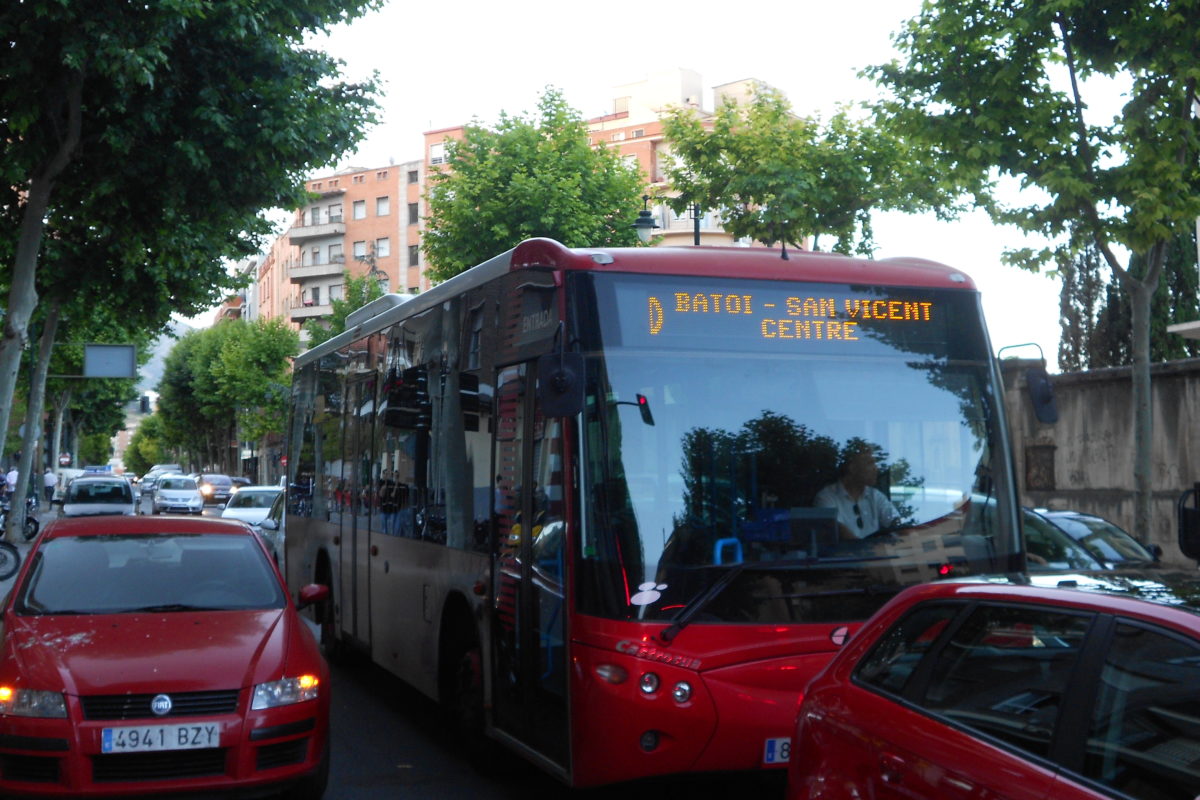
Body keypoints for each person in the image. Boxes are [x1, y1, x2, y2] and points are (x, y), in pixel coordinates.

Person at [814, 446, 899, 540]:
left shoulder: (875, 496)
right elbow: (838, 529)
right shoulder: (826, 497)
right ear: (852, 468)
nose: (876, 468)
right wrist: (868, 551)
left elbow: (894, 521)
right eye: (870, 463)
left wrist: (900, 527)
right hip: (843, 554)